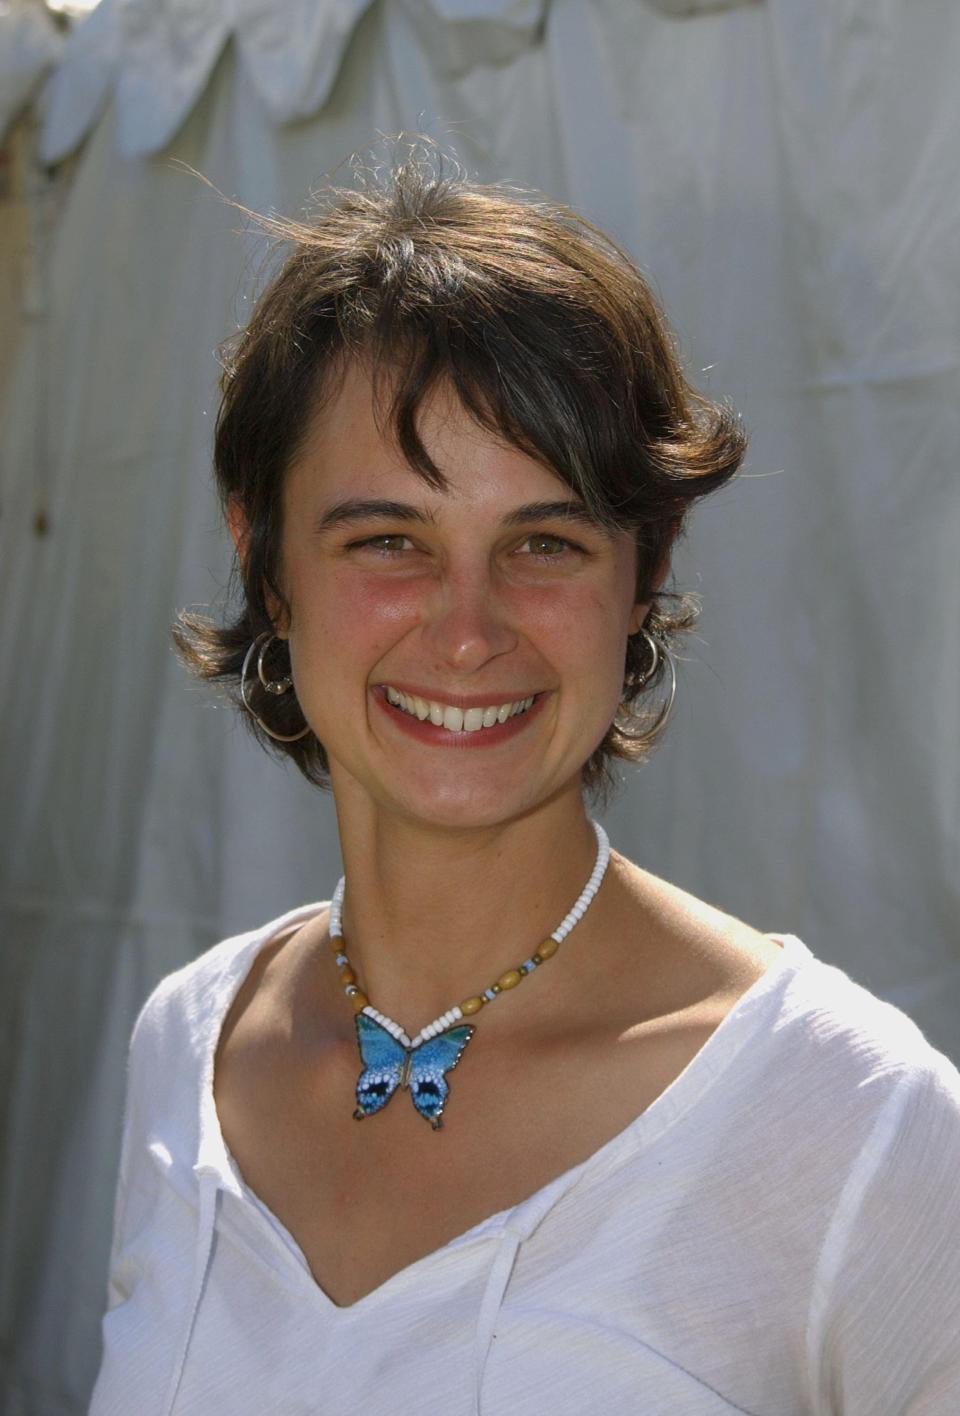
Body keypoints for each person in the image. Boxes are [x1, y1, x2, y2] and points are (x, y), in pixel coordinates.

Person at [89, 150, 960, 1415]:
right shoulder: (188, 1046)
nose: (466, 630)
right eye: (389, 539)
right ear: (265, 562)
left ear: (644, 574)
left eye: (544, 543)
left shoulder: (851, 1120)